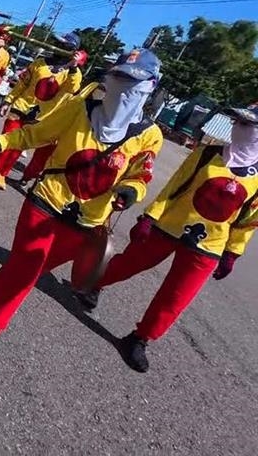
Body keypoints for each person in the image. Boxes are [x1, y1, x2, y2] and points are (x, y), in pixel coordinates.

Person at [0, 49, 164, 370]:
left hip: (87, 224)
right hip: (45, 202)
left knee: (31, 269)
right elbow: (35, 133)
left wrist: (132, 191)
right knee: (26, 270)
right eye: (119, 78)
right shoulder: (79, 108)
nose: (122, 87)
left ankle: (1, 280)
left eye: (133, 82)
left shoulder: (149, 136)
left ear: (150, 88)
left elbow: (141, 174)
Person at [78, 104, 258, 372]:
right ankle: (93, 283)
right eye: (237, 122)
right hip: (170, 226)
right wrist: (149, 218)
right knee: (129, 263)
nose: (237, 128)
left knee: (176, 297)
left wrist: (233, 253)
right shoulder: (207, 154)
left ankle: (139, 339)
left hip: (209, 245)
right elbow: (174, 187)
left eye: (247, 125)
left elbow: (248, 221)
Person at [0, 41, 87, 190]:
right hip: (20, 107)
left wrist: (73, 66)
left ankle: (3, 174)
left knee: (18, 147)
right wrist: (8, 101)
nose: (61, 49)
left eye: (67, 47)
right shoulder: (39, 63)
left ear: (73, 50)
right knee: (5, 140)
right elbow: (22, 84)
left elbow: (72, 88)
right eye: (60, 44)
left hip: (40, 116)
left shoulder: (73, 73)